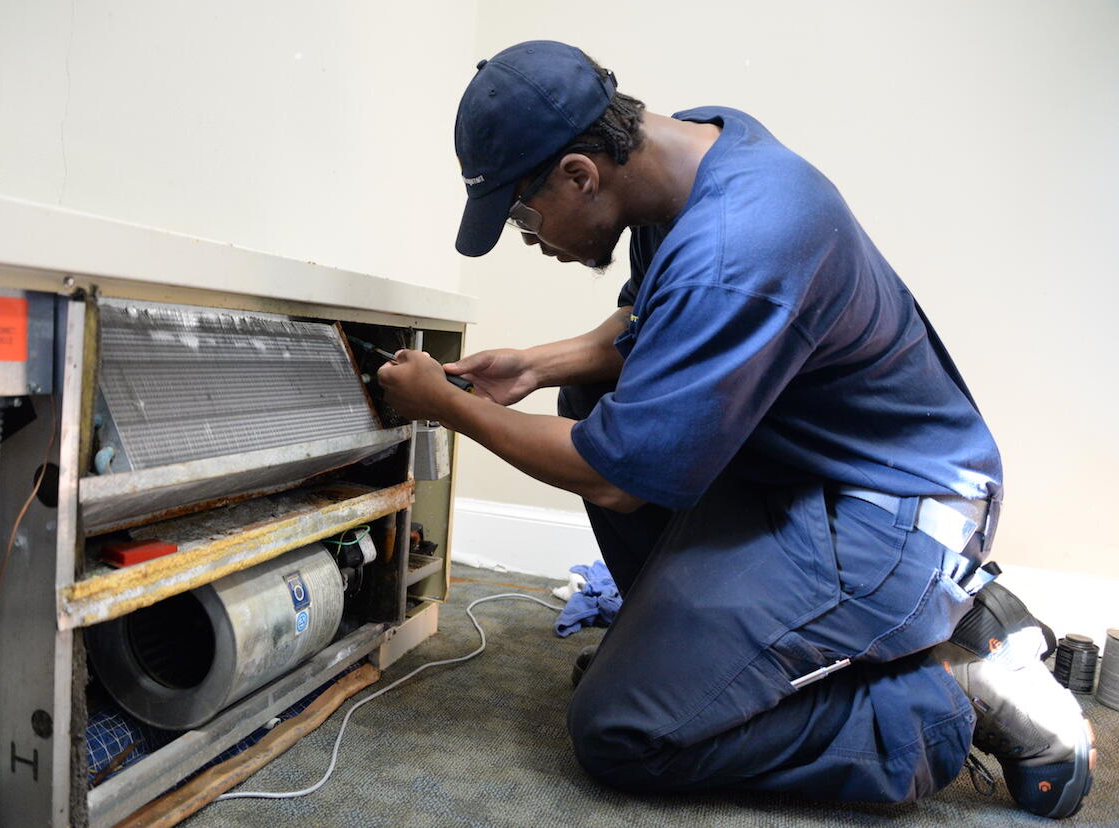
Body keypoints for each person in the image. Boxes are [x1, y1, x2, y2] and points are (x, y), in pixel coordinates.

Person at [376, 40, 1095, 817]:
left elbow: (614, 478)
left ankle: (952, 698)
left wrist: (452, 408)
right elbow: (659, 318)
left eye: (522, 213)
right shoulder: (692, 155)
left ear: (580, 174)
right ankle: (848, 635)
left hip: (896, 517)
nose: (527, 234)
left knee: (623, 729)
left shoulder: (740, 241)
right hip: (819, 480)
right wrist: (540, 364)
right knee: (586, 396)